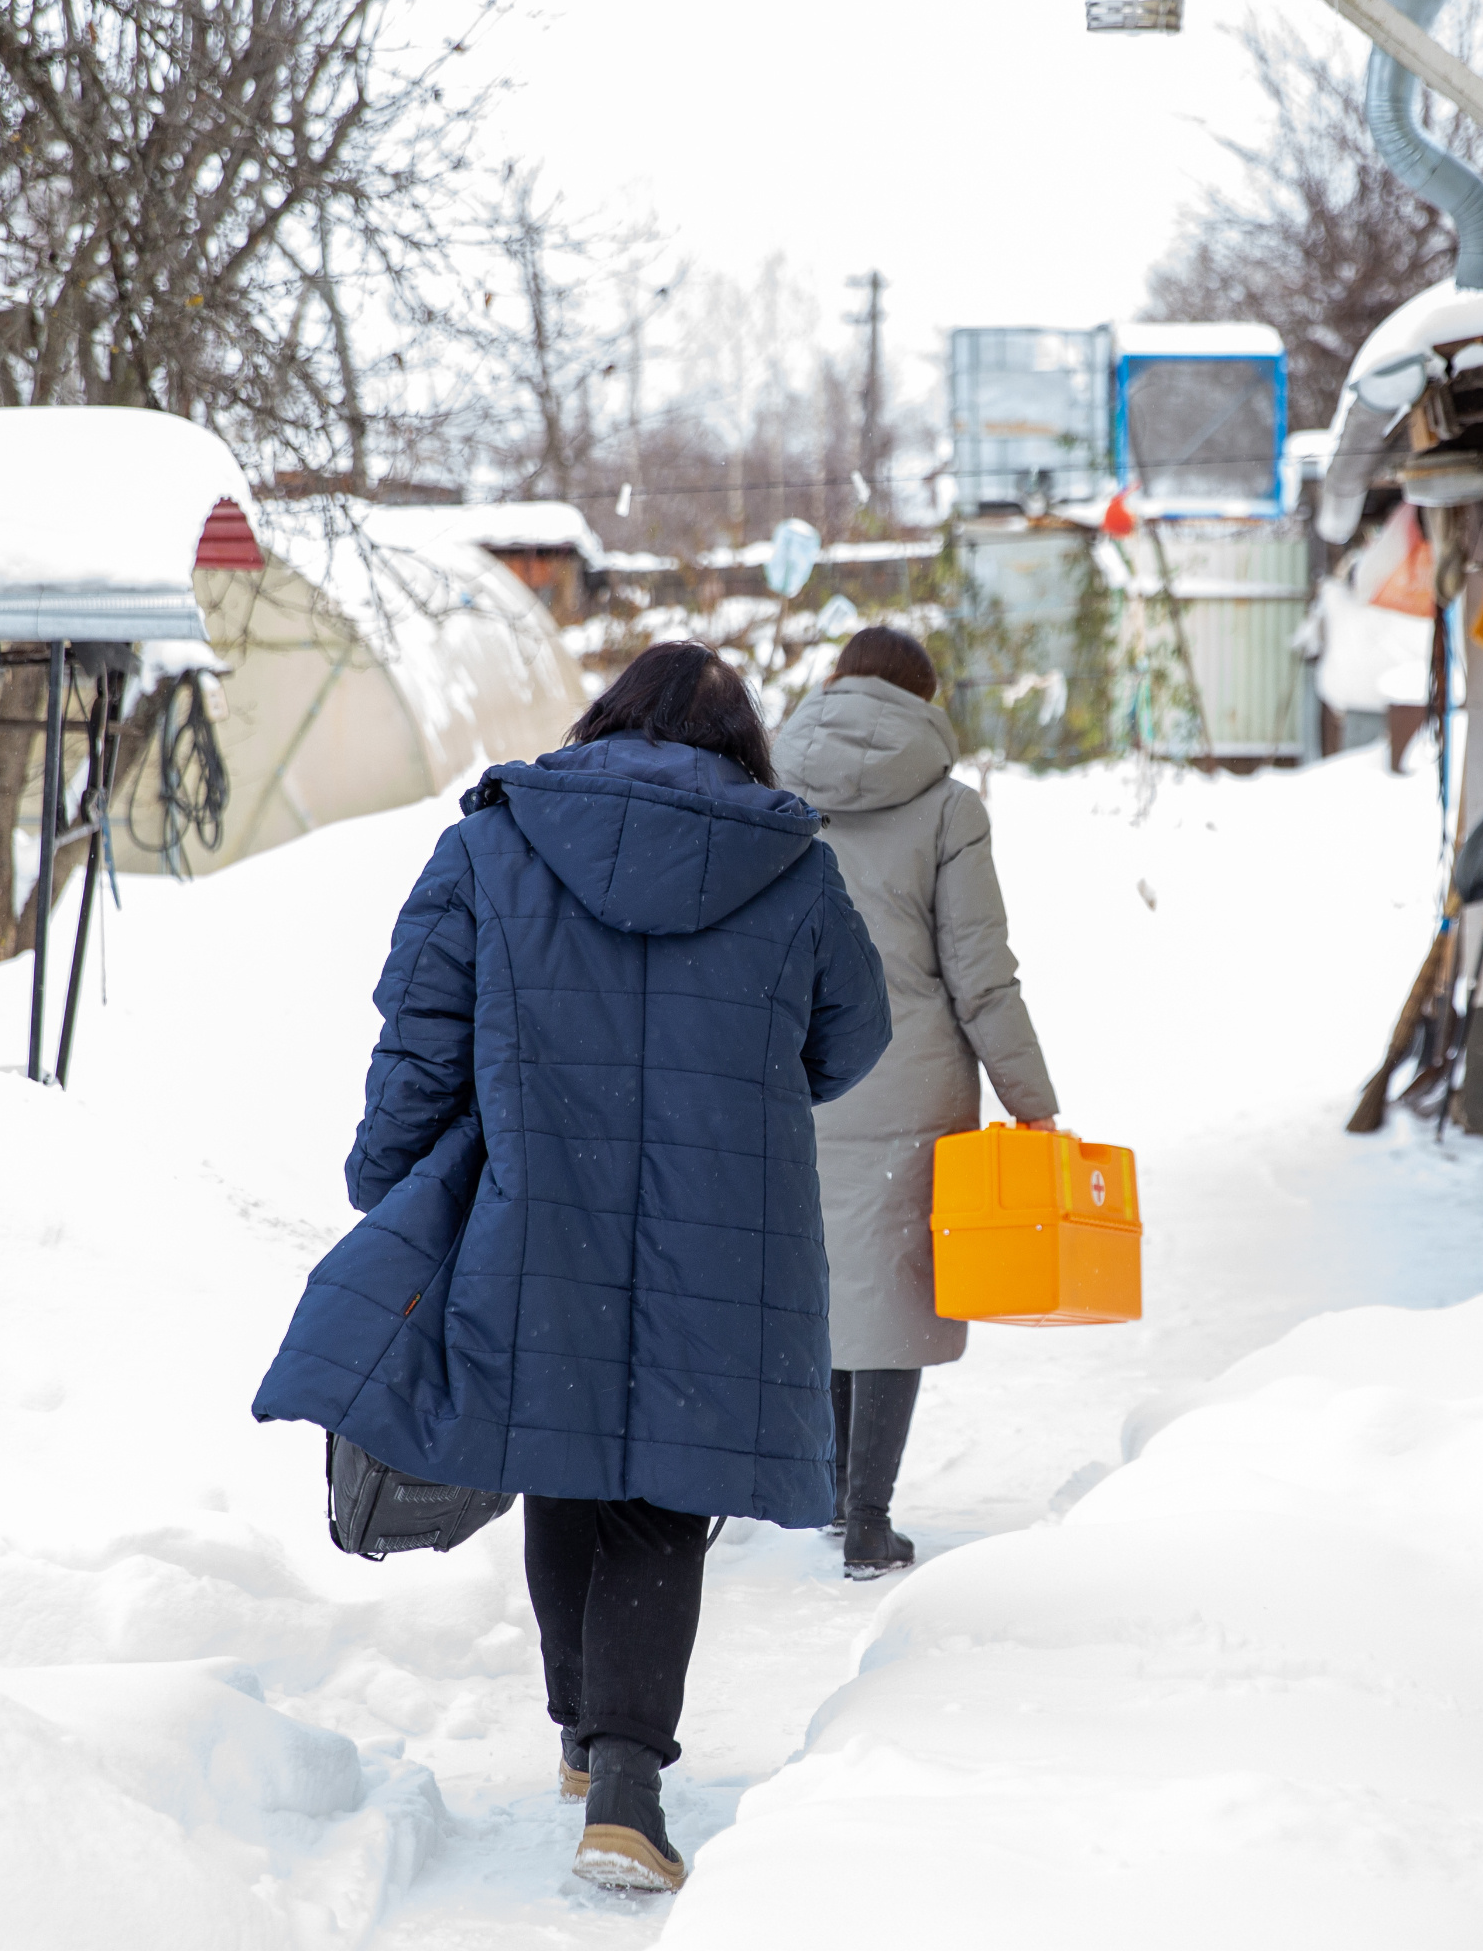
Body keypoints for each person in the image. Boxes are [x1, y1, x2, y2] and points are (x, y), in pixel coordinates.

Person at [252, 642, 890, 1895]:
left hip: (538, 1205)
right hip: (725, 1211)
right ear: (741, 745)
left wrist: (390, 1184)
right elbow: (852, 1036)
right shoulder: (794, 869)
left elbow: (420, 1035)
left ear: (600, 723)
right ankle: (628, 1787)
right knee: (666, 1484)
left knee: (566, 1447)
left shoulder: (495, 842)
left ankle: (577, 1728)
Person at [772, 627, 1058, 1579]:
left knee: (827, 1280)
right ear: (923, 698)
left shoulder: (773, 792)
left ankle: (823, 1489)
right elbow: (981, 976)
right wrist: (1032, 1099)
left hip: (797, 1075)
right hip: (909, 1081)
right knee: (889, 1289)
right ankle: (867, 1520)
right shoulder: (947, 807)